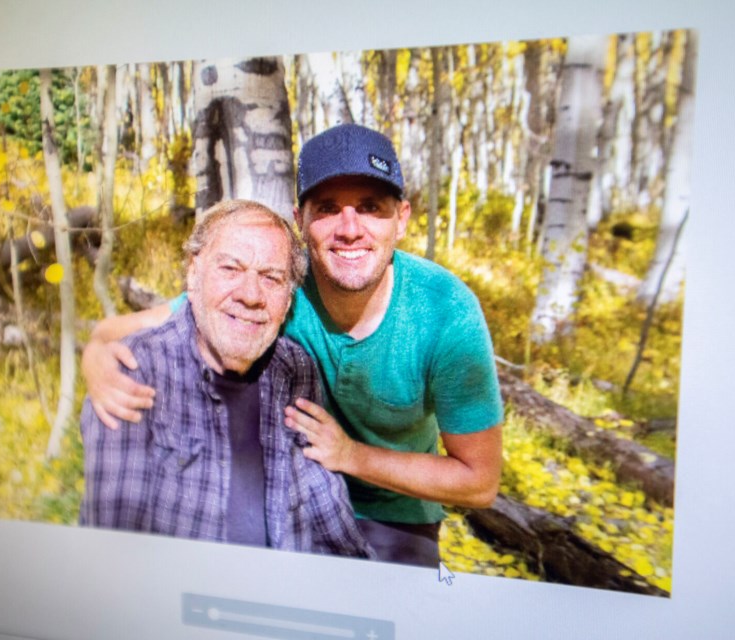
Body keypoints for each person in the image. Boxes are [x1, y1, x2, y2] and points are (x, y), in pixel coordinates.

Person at [83, 124, 503, 567]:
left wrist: (351, 456)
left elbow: (478, 482)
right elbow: (128, 328)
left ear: (401, 218)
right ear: (299, 220)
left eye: (369, 207)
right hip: (292, 493)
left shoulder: (444, 312)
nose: (349, 228)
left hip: (396, 510)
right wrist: (97, 358)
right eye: (326, 208)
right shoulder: (276, 289)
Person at [79, 199, 373, 559]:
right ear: (194, 273)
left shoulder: (294, 369)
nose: (251, 295)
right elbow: (113, 553)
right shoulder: (134, 373)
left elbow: (329, 520)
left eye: (271, 278)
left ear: (288, 299)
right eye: (231, 268)